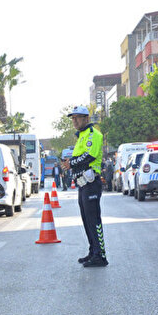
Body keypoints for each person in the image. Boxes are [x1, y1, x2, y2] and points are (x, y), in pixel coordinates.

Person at [62, 106, 107, 267]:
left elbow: (90, 156)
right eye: (72, 118)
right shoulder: (81, 136)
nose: (74, 121)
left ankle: (100, 255)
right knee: (86, 219)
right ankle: (93, 251)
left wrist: (71, 163)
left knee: (94, 220)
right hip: (82, 184)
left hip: (91, 183)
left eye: (77, 118)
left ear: (86, 119)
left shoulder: (93, 135)